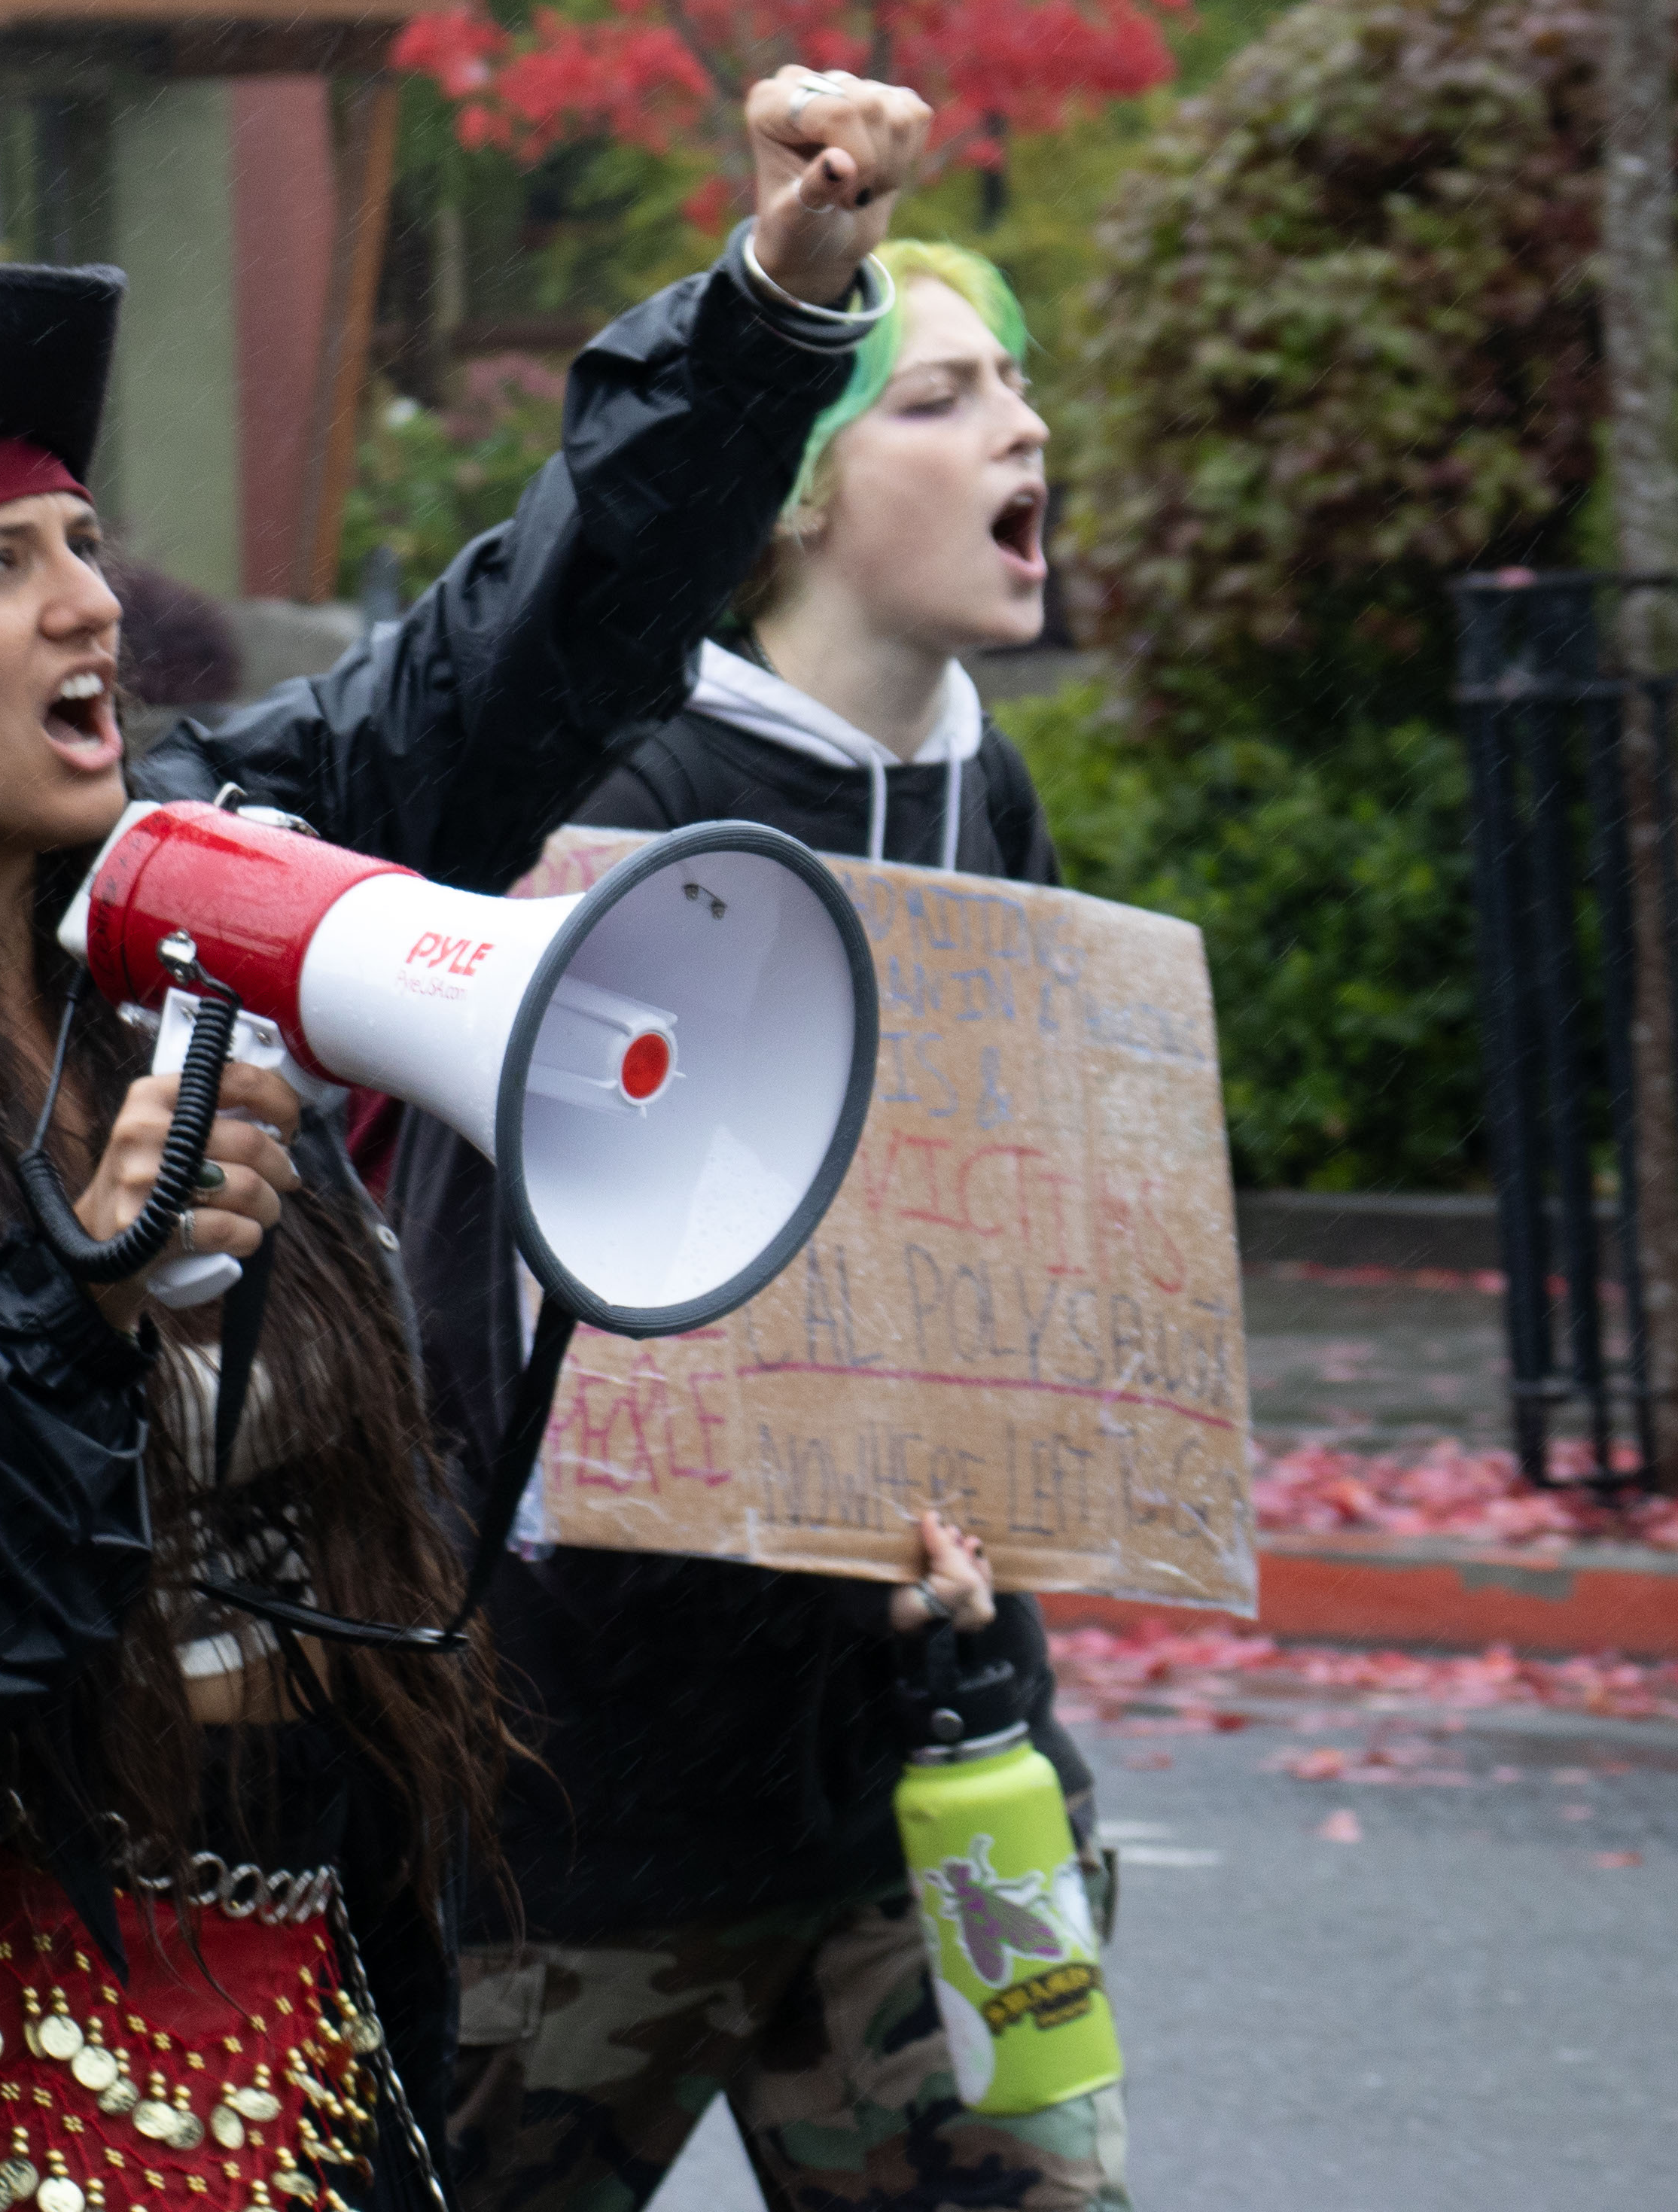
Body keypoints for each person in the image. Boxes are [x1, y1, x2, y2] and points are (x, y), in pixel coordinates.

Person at [0, 72, 934, 2212]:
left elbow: (519, 657)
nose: (90, 604)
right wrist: (80, 1297)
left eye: (83, 542)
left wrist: (764, 321)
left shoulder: (195, 887)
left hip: (289, 2040)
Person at [418, 239, 1125, 2212]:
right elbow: (476, 1329)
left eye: (1017, 382)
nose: (1021, 426)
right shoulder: (628, 802)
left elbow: (1016, 1249)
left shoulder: (989, 790)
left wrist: (1015, 1482)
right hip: (597, 1820)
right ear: (801, 493)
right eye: (944, 397)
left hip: (937, 1792)